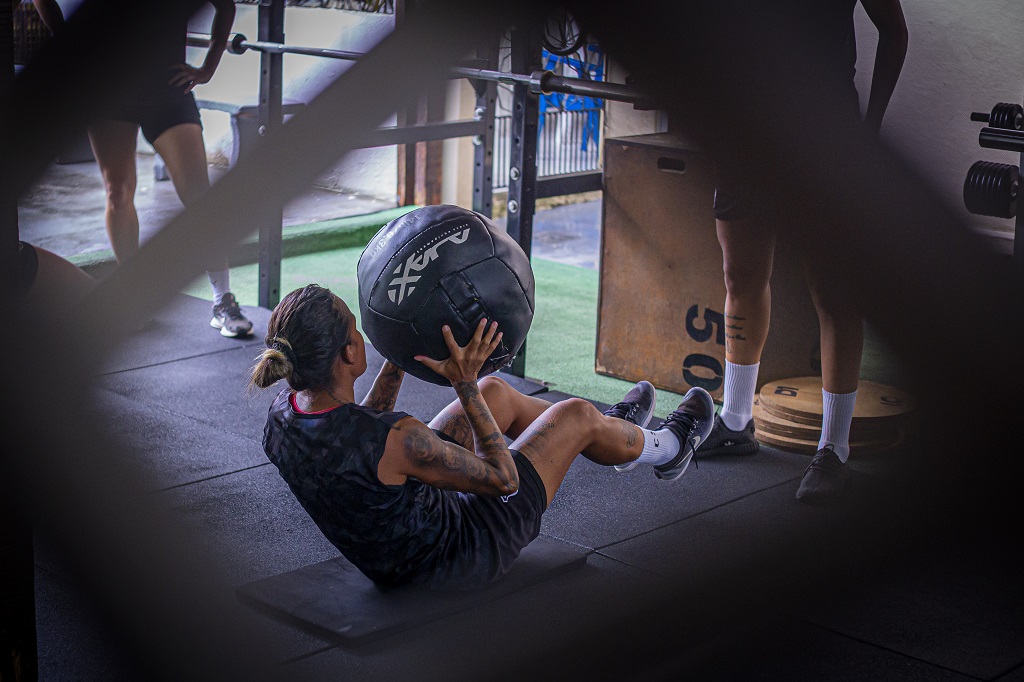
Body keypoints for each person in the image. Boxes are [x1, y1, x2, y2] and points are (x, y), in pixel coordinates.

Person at [249, 284, 715, 590]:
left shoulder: (281, 418)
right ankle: (669, 448)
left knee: (496, 392)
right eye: (357, 329)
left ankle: (614, 433)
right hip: (460, 554)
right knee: (571, 414)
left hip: (396, 544)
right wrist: (464, 383)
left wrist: (400, 351)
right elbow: (503, 480)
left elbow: (361, 434)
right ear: (349, 353)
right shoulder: (403, 441)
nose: (362, 335)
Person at [698, 0, 908, 503]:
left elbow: (895, 33)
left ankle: (833, 448)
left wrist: (870, 133)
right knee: (740, 276)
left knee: (834, 292)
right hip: (745, 132)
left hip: (826, 138)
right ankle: (736, 420)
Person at [80, 0, 253, 337]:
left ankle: (223, 301)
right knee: (117, 192)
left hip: (167, 89)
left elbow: (225, 6)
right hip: (108, 89)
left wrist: (208, 67)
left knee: (200, 197)